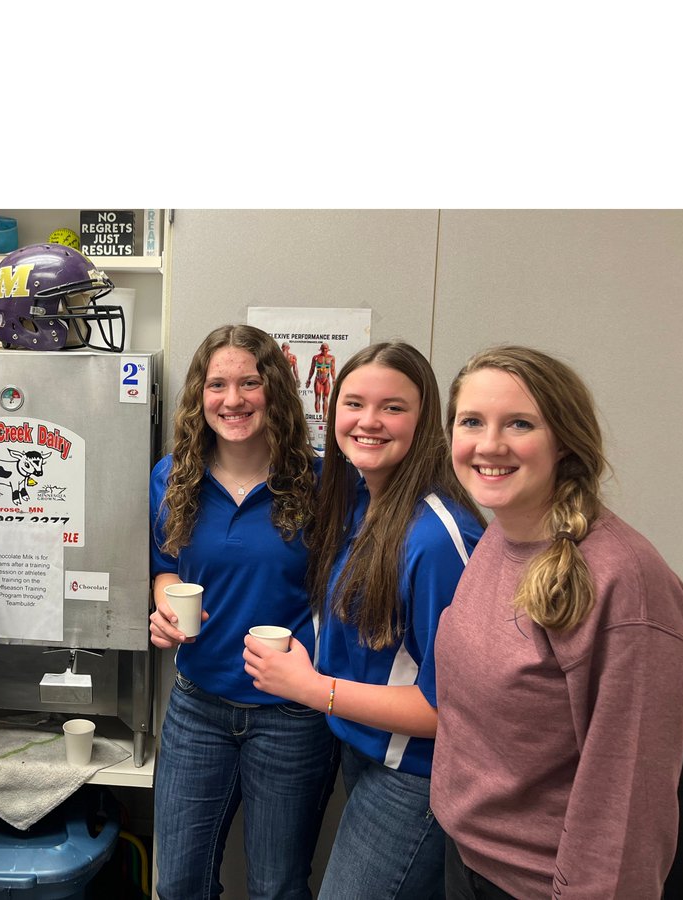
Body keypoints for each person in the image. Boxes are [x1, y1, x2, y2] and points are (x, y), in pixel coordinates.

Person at [432, 346, 683, 899]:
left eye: (520, 424)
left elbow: (627, 809)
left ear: (564, 441)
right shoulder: (499, 538)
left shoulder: (626, 586)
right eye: (472, 422)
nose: (489, 444)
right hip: (469, 862)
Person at [244, 340, 485, 900]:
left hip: (415, 775)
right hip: (367, 752)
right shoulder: (360, 498)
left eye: (393, 408)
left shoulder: (437, 539)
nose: (369, 422)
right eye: (353, 404)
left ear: (425, 421)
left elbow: (448, 706)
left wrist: (312, 689)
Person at [149, 324, 338, 900]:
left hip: (292, 718)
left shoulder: (322, 481)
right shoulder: (172, 476)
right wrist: (163, 602)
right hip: (197, 707)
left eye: (250, 383)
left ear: (275, 389)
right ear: (199, 396)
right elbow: (165, 566)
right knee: (178, 881)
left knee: (276, 886)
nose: (233, 400)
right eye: (218, 385)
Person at [308, 342, 336, 415]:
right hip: (318, 379)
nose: (324, 350)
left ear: (328, 349)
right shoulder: (316, 357)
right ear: (320, 349)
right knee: (317, 398)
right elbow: (312, 369)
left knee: (325, 398)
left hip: (326, 379)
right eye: (323, 348)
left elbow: (332, 369)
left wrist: (334, 379)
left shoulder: (331, 358)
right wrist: (309, 379)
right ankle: (318, 415)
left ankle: (324, 416)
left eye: (326, 348)